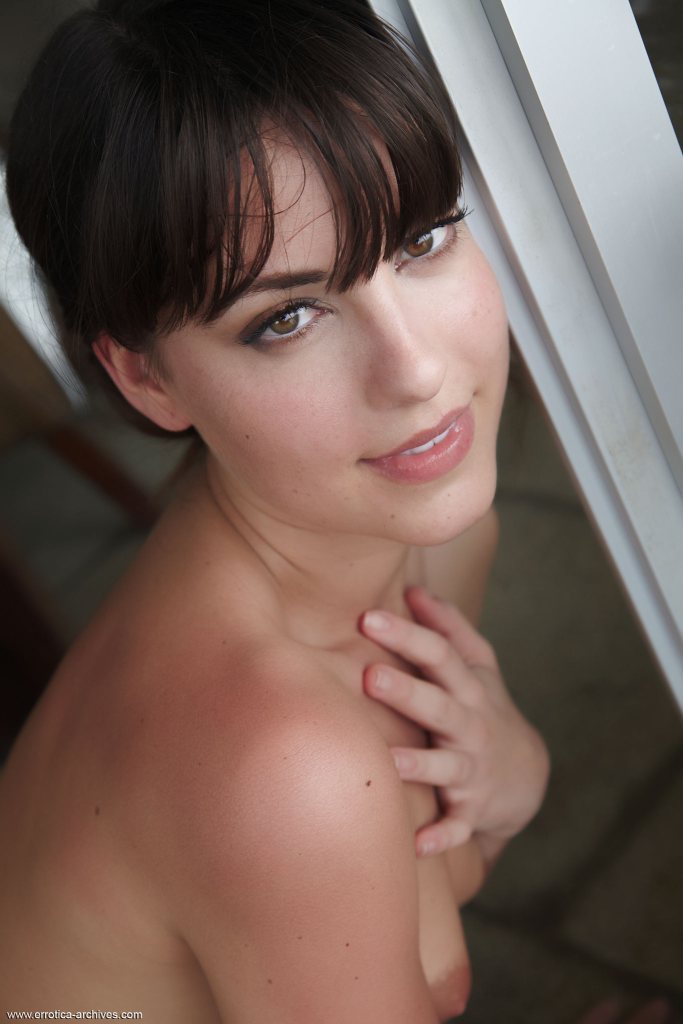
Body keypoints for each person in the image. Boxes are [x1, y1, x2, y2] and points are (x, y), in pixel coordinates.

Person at [0, 2, 672, 1022]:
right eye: (288, 317)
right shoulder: (275, 765)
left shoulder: (423, 537)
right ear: (147, 378)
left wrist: (507, 788)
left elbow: (385, 892)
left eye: (422, 238)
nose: (415, 371)